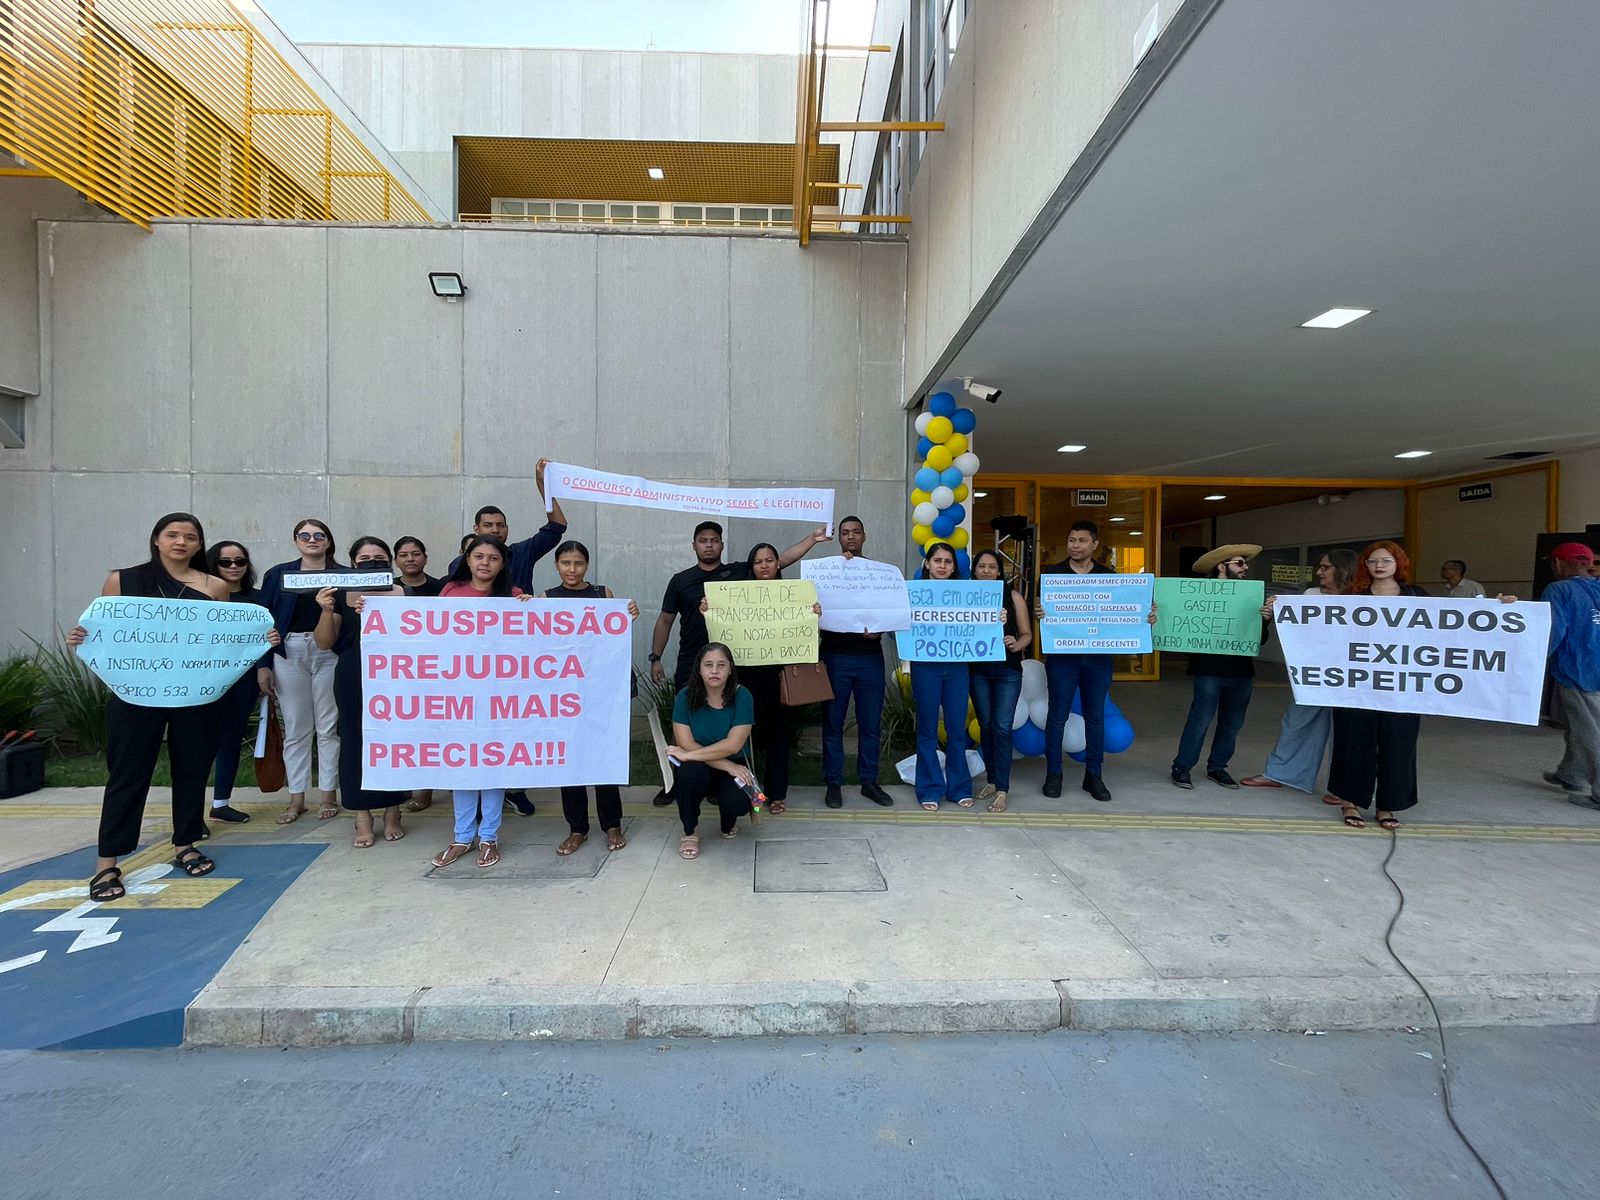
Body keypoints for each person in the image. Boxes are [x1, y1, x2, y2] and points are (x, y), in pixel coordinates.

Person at [66, 514, 267, 902]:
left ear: (198, 544)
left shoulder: (214, 586)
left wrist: (260, 639)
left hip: (195, 694)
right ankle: (107, 862)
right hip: (135, 693)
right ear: (156, 540)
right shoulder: (121, 580)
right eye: (172, 535)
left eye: (190, 537)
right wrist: (82, 637)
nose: (180, 542)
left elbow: (220, 643)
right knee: (128, 772)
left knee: (191, 769)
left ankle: (185, 843)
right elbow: (107, 632)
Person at [1323, 542, 1515, 828]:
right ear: (1365, 565)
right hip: (1358, 685)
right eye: (1372, 561)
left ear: (1397, 564)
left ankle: (1388, 805)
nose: (1379, 566)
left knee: (1398, 744)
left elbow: (1454, 622)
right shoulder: (1353, 596)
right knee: (1353, 742)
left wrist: (1497, 608)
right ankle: (1350, 802)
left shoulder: (1416, 596)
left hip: (1403, 687)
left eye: (1386, 561)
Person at [647, 519, 827, 806]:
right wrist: (655, 656)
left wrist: (812, 539)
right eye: (703, 540)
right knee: (687, 724)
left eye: (714, 540)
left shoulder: (738, 572)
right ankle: (676, 783)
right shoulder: (680, 580)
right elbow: (665, 619)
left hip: (737, 665)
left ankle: (725, 785)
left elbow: (781, 560)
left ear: (721, 544)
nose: (709, 545)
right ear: (694, 545)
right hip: (691, 663)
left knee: (730, 727)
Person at [451, 459, 569, 817]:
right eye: (488, 525)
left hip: (515, 655)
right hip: (472, 666)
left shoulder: (521, 553)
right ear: (475, 531)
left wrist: (542, 484)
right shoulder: (458, 575)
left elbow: (557, 526)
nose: (496, 531)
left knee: (514, 722)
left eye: (501, 526)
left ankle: (514, 787)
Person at [429, 536, 535, 868]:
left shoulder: (514, 598)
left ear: (503, 564)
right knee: (462, 765)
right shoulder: (450, 592)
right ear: (468, 558)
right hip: (458, 695)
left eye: (493, 557)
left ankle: (488, 836)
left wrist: (533, 611)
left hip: (499, 698)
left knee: (492, 765)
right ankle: (462, 836)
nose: (485, 563)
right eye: (479, 556)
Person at [1035, 520, 1155, 803]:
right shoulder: (1053, 575)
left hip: (1099, 659)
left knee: (1095, 717)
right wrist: (1040, 611)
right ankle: (1054, 774)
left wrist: (1145, 617)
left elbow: (1123, 613)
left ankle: (1094, 775)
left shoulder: (1109, 577)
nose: (1075, 545)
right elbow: (1043, 611)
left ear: (1094, 545)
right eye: (1071, 540)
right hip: (1062, 659)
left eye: (1081, 540)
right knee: (1057, 716)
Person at [542, 539, 640, 854]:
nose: (572, 569)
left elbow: (612, 640)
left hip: (600, 692)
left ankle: (612, 825)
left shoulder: (603, 595)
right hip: (565, 694)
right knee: (571, 762)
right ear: (556, 565)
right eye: (566, 563)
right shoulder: (546, 598)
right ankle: (577, 828)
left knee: (603, 758)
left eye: (579, 563)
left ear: (587, 565)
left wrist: (626, 616)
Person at [315, 537, 408, 848]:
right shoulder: (339, 594)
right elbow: (324, 642)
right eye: (365, 558)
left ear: (390, 561)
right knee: (355, 740)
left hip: (395, 674)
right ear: (353, 562)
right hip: (354, 673)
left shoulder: (399, 591)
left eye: (379, 557)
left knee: (392, 740)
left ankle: (393, 810)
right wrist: (327, 610)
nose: (372, 562)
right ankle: (362, 815)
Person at [1241, 549, 1360, 794]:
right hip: (1314, 674)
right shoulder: (1311, 595)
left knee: (1348, 732)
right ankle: (1280, 773)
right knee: (1296, 722)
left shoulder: (1362, 598)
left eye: (1325, 567)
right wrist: (1277, 610)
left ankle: (1347, 788)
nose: (1319, 572)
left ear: (1343, 569)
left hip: (1351, 677)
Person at [256, 518, 342, 824]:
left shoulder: (341, 575)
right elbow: (263, 620)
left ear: (328, 541)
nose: (312, 539)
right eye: (304, 535)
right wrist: (264, 664)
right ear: (295, 541)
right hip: (288, 651)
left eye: (319, 535)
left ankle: (329, 794)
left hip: (328, 653)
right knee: (295, 727)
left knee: (328, 727)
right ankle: (297, 798)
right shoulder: (278, 574)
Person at [1170, 544, 1272, 790]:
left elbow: (1259, 640)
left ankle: (1218, 767)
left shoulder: (1250, 598)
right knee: (1200, 720)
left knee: (1232, 723)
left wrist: (1264, 622)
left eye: (1245, 563)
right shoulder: (1201, 595)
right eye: (1239, 563)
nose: (1245, 567)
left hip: (1241, 671)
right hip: (1209, 669)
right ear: (1221, 567)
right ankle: (1182, 767)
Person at [816, 516, 897, 809]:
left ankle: (869, 781)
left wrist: (881, 629)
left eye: (856, 532)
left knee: (870, 723)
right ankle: (833, 783)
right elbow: (812, 608)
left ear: (865, 536)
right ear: (839, 537)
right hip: (835, 657)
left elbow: (891, 611)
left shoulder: (877, 574)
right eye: (845, 533)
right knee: (833, 723)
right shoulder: (825, 572)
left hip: (869, 659)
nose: (851, 537)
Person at [668, 642, 757, 859]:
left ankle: (728, 824)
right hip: (702, 764)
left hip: (734, 759)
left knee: (742, 802)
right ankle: (690, 832)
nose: (714, 670)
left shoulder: (742, 696)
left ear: (730, 669)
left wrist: (689, 755)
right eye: (708, 665)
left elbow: (733, 745)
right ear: (699, 669)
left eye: (721, 665)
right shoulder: (684, 696)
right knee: (688, 774)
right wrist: (727, 765)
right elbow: (685, 742)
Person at [909, 542, 976, 811]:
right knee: (926, 729)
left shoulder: (966, 595)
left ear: (954, 567)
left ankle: (959, 787)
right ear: (927, 564)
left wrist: (996, 616)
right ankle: (929, 788)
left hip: (958, 667)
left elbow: (980, 625)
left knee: (957, 730)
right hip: (926, 667)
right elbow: (898, 630)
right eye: (937, 560)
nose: (942, 566)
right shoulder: (913, 594)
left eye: (948, 562)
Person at [205, 540, 267, 828]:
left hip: (244, 680)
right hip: (202, 679)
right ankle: (190, 812)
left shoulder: (258, 599)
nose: (233, 567)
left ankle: (220, 804)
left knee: (230, 740)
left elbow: (266, 638)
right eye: (225, 562)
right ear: (212, 564)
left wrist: (264, 666)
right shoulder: (197, 598)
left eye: (239, 561)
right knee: (199, 745)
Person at [969, 549, 1031, 812]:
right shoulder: (966, 596)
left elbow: (1027, 634)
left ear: (999, 571)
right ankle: (992, 781)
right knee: (985, 725)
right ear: (974, 570)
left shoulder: (1013, 596)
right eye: (981, 566)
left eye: (992, 567)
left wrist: (1016, 644)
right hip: (978, 670)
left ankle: (1003, 789)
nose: (986, 571)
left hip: (1007, 670)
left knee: (1002, 727)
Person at [1540, 542, 1600, 811]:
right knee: (1582, 724)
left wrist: (1532, 664)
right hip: (1594, 667)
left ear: (1559, 563)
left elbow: (1553, 630)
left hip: (1578, 669)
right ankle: (1572, 774)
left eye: (1553, 562)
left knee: (1590, 730)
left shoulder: (1559, 589)